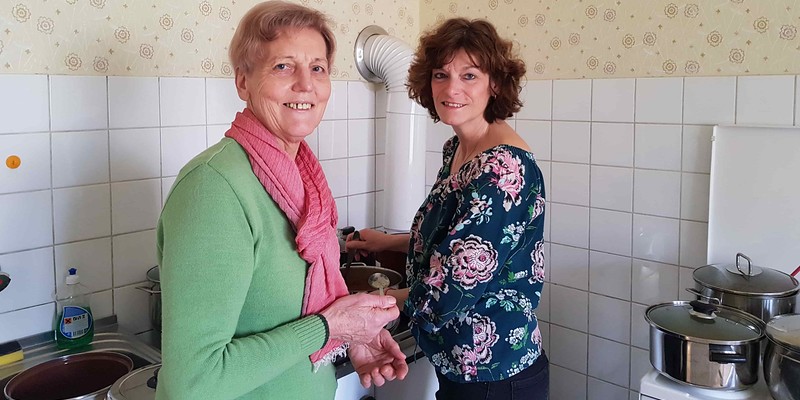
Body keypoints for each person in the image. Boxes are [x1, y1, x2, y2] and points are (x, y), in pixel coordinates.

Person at [155, 2, 407, 399]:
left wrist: (351, 338)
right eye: (283, 66)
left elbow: (290, 313)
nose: (306, 84)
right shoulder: (214, 187)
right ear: (243, 82)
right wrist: (330, 327)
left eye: (318, 68)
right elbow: (194, 381)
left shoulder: (303, 179)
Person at [347, 18, 548, 400]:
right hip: (461, 366)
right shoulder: (457, 149)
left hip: (495, 375)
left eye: (469, 75)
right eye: (441, 74)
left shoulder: (503, 170)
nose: (451, 88)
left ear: (495, 83)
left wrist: (367, 305)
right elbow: (459, 241)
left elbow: (452, 288)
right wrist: (387, 243)